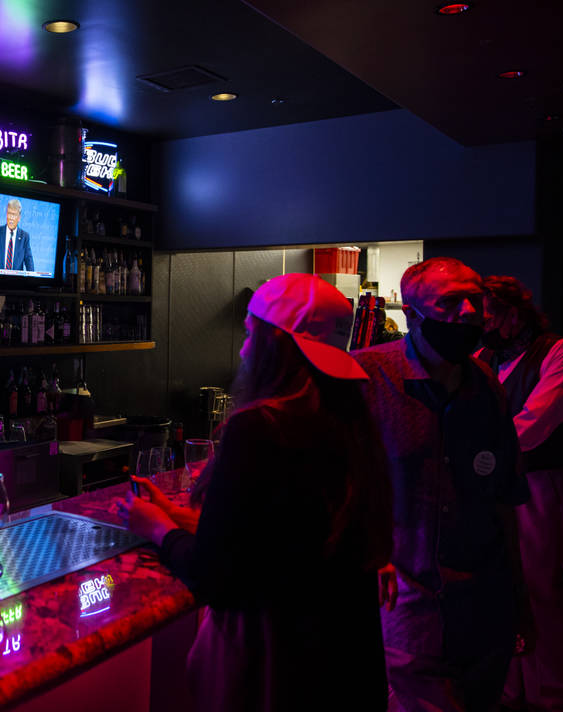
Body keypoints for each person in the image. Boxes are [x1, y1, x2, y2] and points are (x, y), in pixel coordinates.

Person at [119, 273, 393, 711]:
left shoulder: (260, 428)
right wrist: (179, 516)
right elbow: (281, 536)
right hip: (346, 659)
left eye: (250, 334)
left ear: (274, 345)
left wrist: (156, 529)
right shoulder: (350, 420)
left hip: (280, 666)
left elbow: (217, 576)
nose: (244, 349)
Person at [353, 257, 532, 712]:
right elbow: (335, 487)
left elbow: (504, 501)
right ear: (412, 315)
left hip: (484, 609)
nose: (470, 312)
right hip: (412, 609)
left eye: (475, 300)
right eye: (450, 302)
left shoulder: (487, 387)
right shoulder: (367, 380)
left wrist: (518, 596)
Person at [476, 275, 563, 712]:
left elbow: (536, 424)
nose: (478, 322)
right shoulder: (484, 356)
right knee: (497, 591)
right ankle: (510, 694)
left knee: (542, 593)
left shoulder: (561, 352)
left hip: (539, 484)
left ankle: (556, 697)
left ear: (512, 312)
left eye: (486, 313)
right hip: (491, 486)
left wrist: (478, 448)